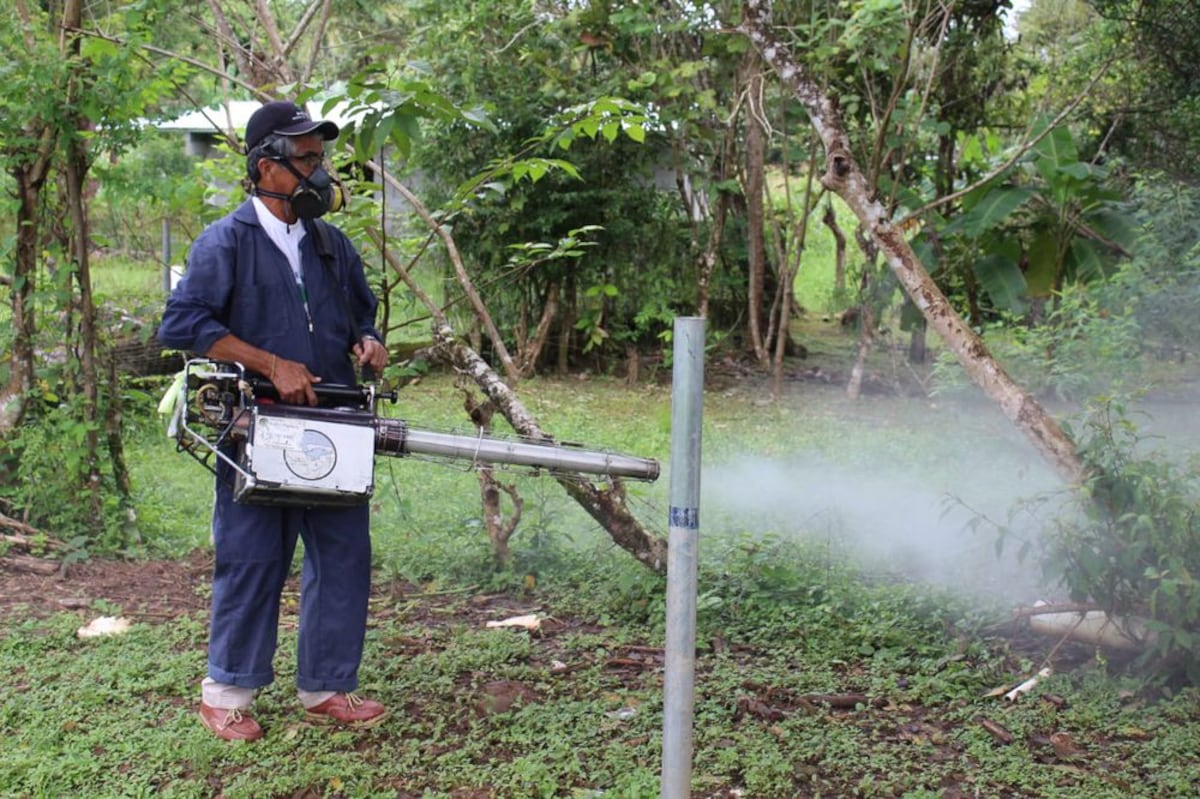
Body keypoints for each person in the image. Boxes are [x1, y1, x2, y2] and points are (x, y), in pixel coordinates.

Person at [158, 100, 390, 741]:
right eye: (307, 160)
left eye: (322, 159)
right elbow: (184, 326)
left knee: (342, 557)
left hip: (334, 428)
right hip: (254, 429)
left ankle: (325, 687)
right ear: (267, 167)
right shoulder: (224, 241)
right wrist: (269, 362)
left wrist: (368, 342)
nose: (321, 172)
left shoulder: (331, 245)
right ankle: (226, 693)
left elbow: (362, 314)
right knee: (253, 557)